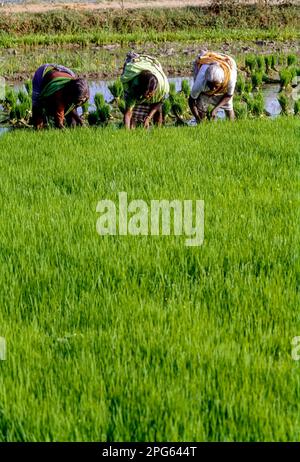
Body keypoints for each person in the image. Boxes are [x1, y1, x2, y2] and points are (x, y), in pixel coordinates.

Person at [31, 64, 89, 129]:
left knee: (72, 121)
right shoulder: (59, 94)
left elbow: (72, 108)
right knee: (37, 106)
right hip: (42, 75)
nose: (81, 102)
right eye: (80, 100)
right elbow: (59, 118)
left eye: (83, 100)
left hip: (65, 72)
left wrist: (80, 121)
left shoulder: (79, 90)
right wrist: (62, 128)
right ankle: (37, 128)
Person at [121, 52, 169, 129]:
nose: (148, 96)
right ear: (142, 89)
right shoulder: (134, 86)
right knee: (133, 113)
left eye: (150, 94)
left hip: (153, 67)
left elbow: (160, 102)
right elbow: (128, 113)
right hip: (135, 66)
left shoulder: (162, 88)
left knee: (157, 110)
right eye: (147, 93)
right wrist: (127, 133)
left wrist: (149, 117)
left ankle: (158, 131)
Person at [188, 50, 237, 122]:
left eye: (215, 86)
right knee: (201, 103)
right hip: (204, 63)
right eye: (210, 85)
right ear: (206, 80)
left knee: (228, 106)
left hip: (228, 63)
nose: (213, 88)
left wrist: (216, 108)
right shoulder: (200, 81)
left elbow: (228, 96)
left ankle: (232, 126)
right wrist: (197, 118)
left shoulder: (230, 78)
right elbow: (191, 100)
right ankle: (202, 125)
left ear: (221, 81)